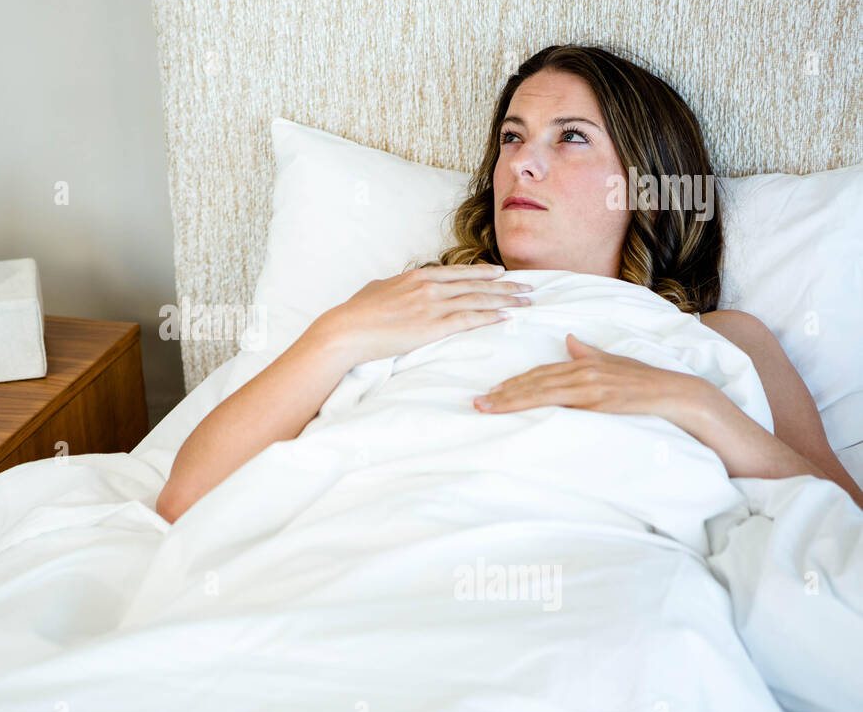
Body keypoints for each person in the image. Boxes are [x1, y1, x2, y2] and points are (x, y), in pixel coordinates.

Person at [155, 44, 863, 523]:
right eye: (513, 137)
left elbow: (841, 525)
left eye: (572, 136)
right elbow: (186, 498)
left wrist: (695, 405)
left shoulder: (716, 338)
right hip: (366, 538)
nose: (523, 162)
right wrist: (336, 334)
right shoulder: (405, 304)